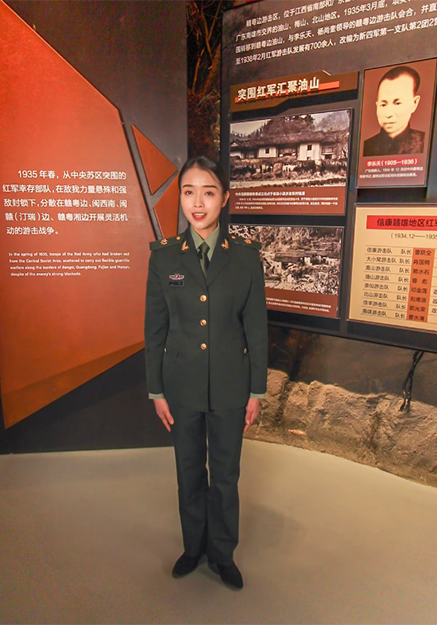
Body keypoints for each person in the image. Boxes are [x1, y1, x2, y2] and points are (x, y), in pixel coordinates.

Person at [144, 156, 268, 591]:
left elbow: (256, 329)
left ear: (225, 198)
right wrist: (156, 391)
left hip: (232, 388)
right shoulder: (164, 258)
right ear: (180, 198)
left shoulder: (246, 258)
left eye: (209, 192)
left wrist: (256, 391)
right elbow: (155, 329)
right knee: (189, 471)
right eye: (189, 192)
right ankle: (193, 547)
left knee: (226, 476)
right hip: (181, 387)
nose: (198, 203)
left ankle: (222, 553)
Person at [362, 65, 426, 156]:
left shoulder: (423, 142)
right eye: (383, 105)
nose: (388, 114)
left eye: (397, 103)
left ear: (414, 103)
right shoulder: (367, 146)